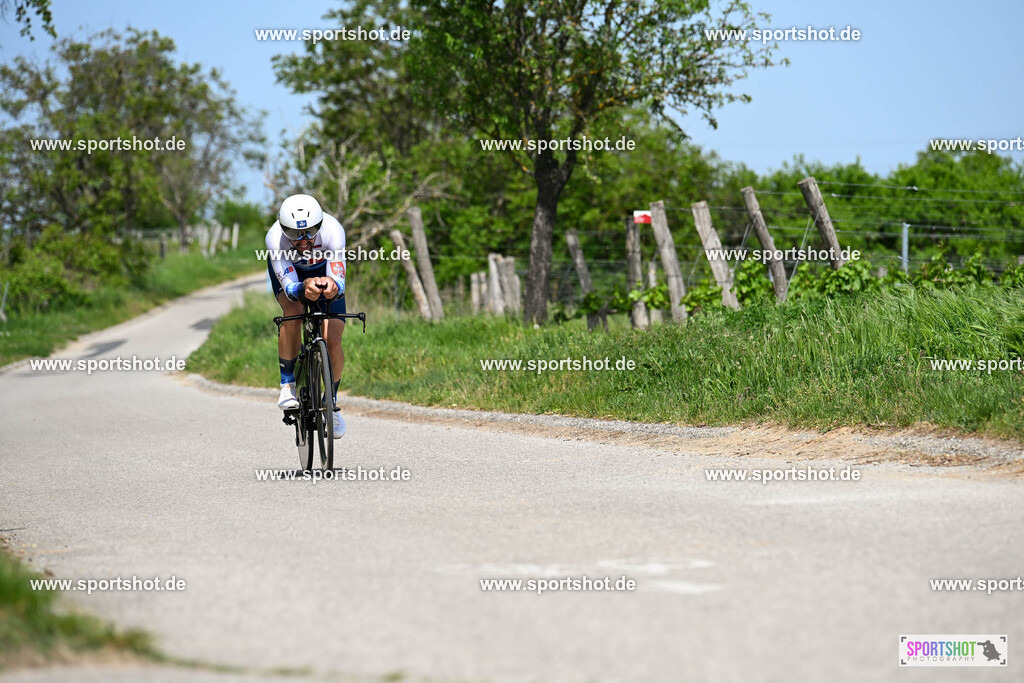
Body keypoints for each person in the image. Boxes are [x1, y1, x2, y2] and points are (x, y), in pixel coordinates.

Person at [265, 193, 347, 438]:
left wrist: (332, 286)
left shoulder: (333, 230)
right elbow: (290, 288)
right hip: (292, 276)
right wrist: (304, 287)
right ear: (283, 229)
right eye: (293, 234)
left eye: (310, 232)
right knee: (294, 310)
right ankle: (287, 383)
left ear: (320, 225)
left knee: (332, 338)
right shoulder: (274, 238)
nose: (302, 240)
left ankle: (331, 402)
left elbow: (339, 280)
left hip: (324, 270)